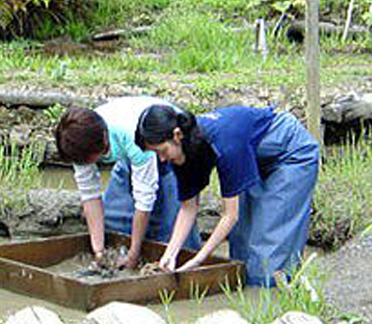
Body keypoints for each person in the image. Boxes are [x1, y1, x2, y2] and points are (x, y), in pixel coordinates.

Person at [135, 104, 319, 287]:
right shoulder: (183, 151)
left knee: (269, 247)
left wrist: (198, 260)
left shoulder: (224, 144)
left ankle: (271, 298)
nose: (161, 159)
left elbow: (230, 215)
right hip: (252, 158)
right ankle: (246, 296)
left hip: (290, 154)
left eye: (162, 151)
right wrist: (170, 255)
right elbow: (188, 208)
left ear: (177, 135)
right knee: (241, 244)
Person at [54, 96, 202, 270]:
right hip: (131, 158)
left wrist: (133, 255)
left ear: (103, 144)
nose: (84, 165)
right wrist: (99, 251)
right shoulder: (77, 143)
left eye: (88, 161)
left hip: (171, 146)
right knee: (114, 222)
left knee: (174, 236)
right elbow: (90, 195)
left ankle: (190, 274)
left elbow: (144, 202)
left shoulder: (131, 137)